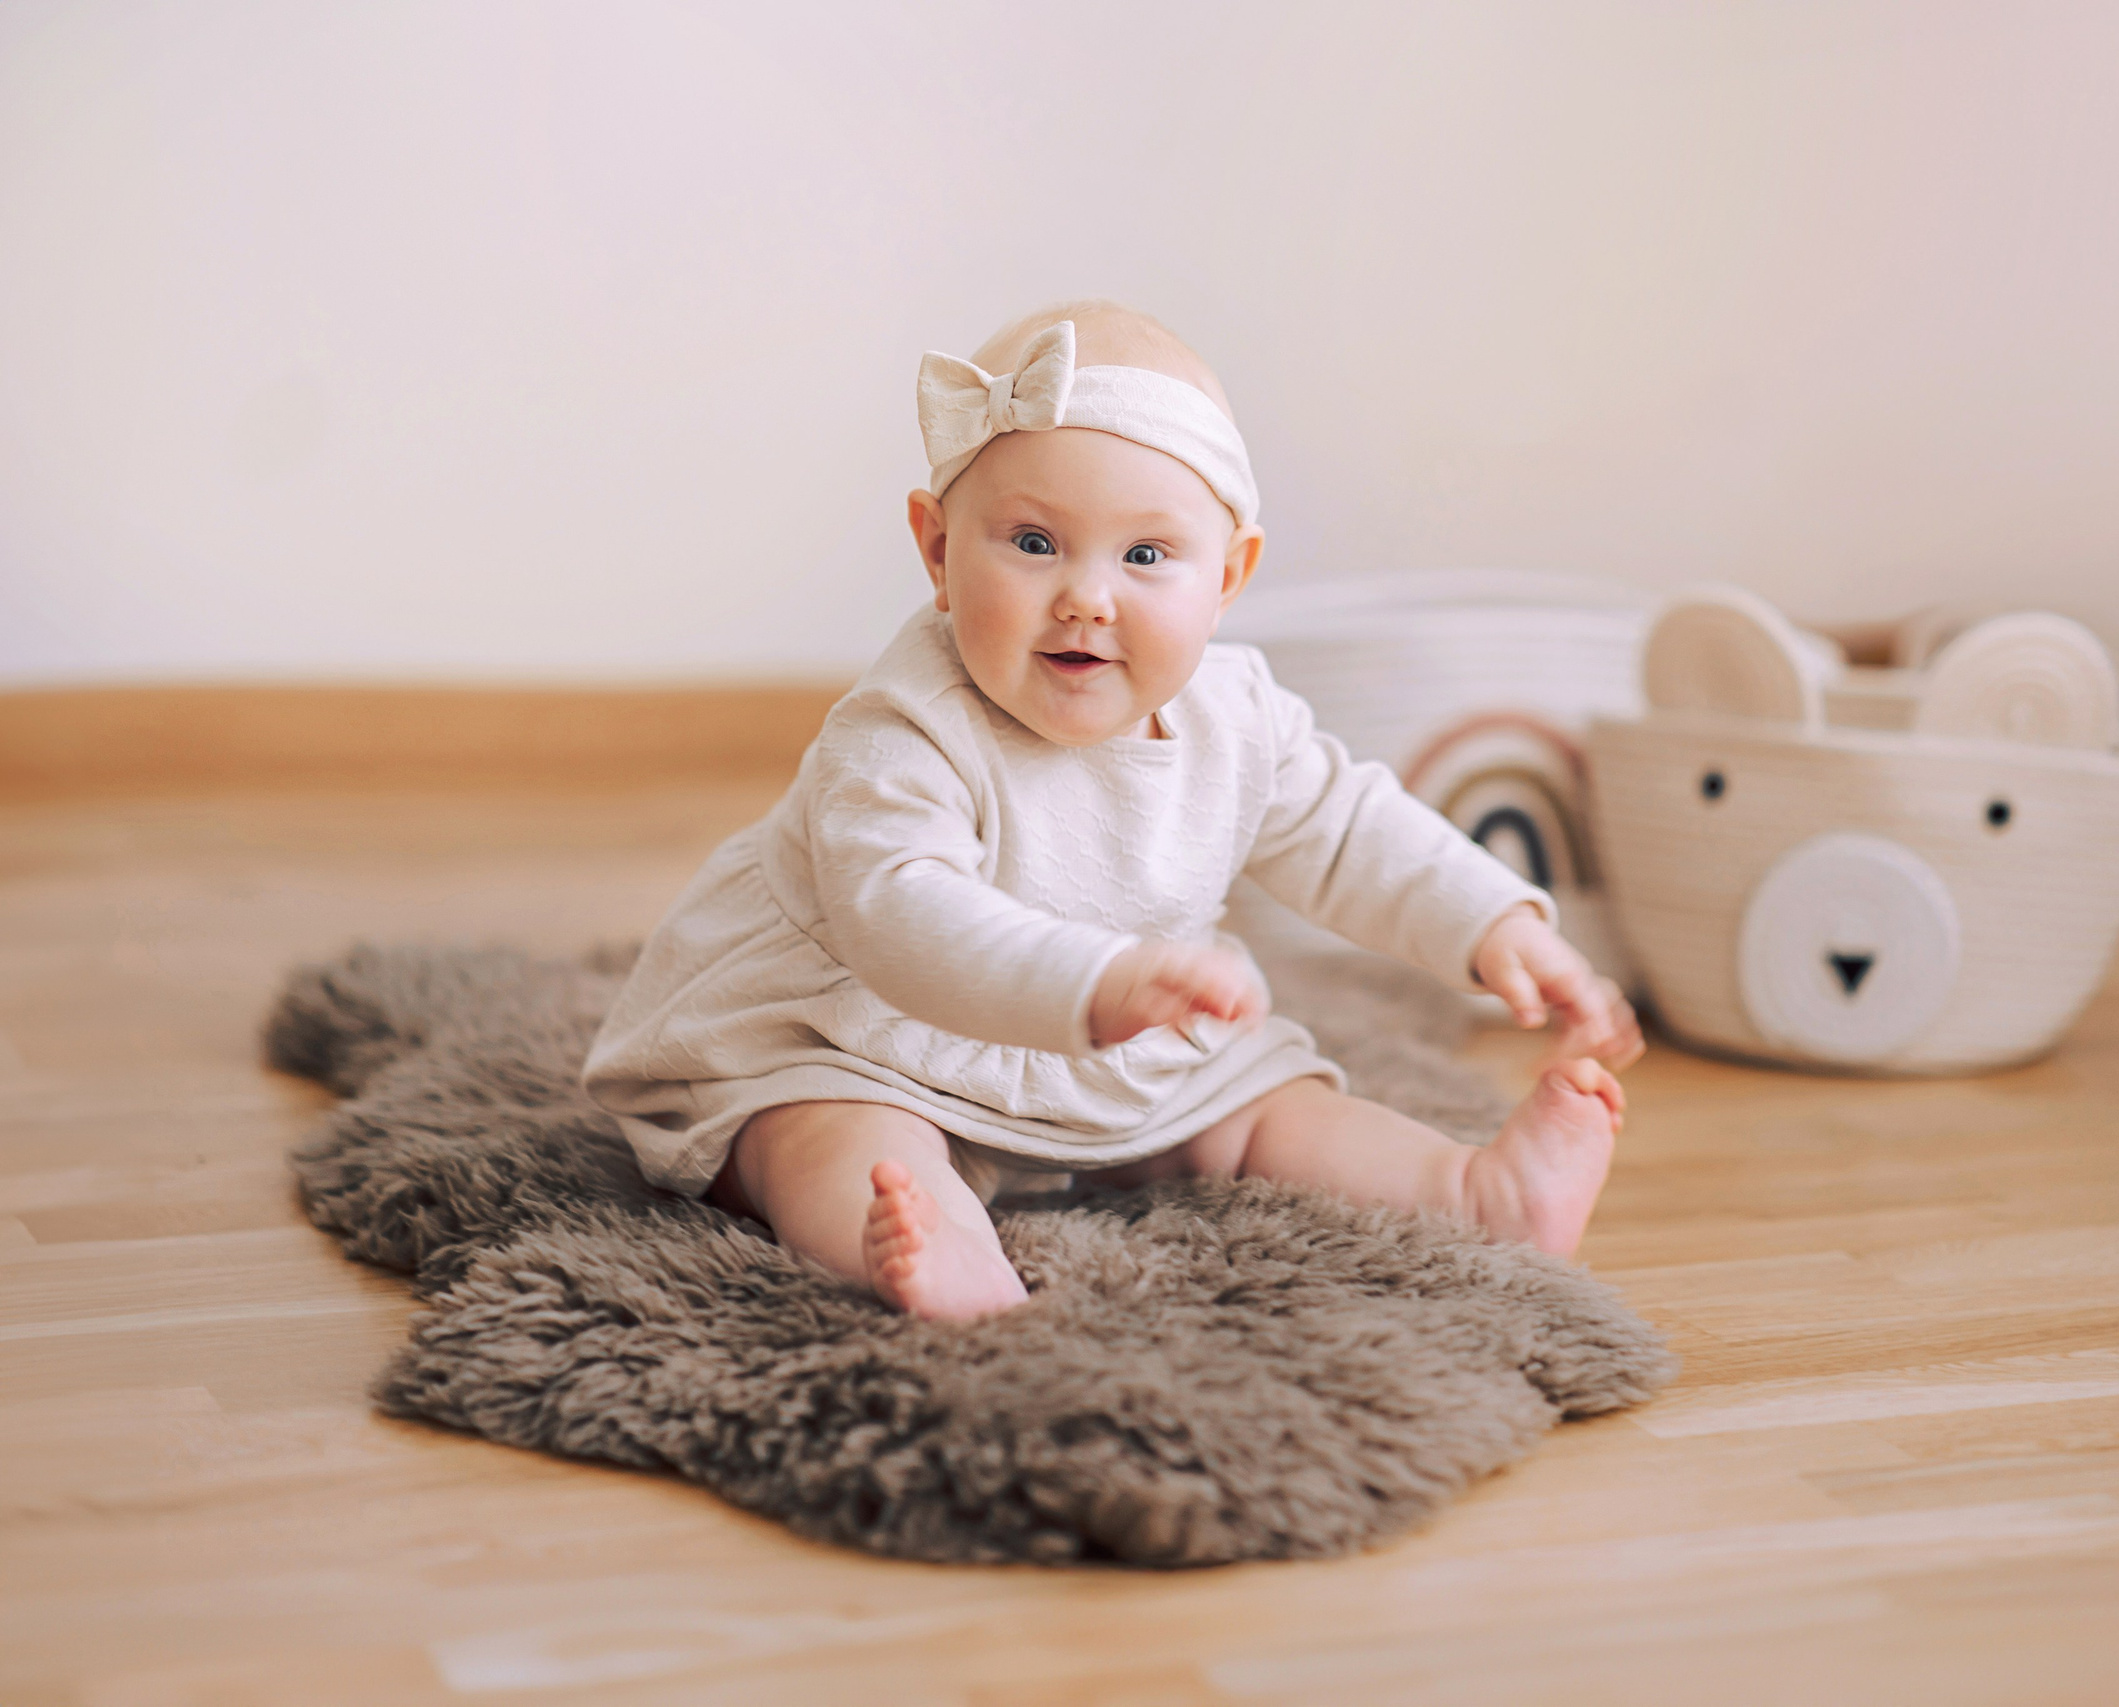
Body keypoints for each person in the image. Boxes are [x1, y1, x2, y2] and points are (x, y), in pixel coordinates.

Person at [582, 302, 1643, 1319]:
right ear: (937, 551)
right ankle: (923, 1239)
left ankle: (1472, 1194)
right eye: (1034, 543)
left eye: (1145, 557)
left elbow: (1355, 832)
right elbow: (901, 917)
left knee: (1264, 1111)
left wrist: (1497, 921)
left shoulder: (1237, 717)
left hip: (1117, 1041)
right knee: (825, 1134)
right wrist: (1096, 980)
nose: (1088, 596)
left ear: (1227, 578)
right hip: (860, 1031)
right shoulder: (902, 729)